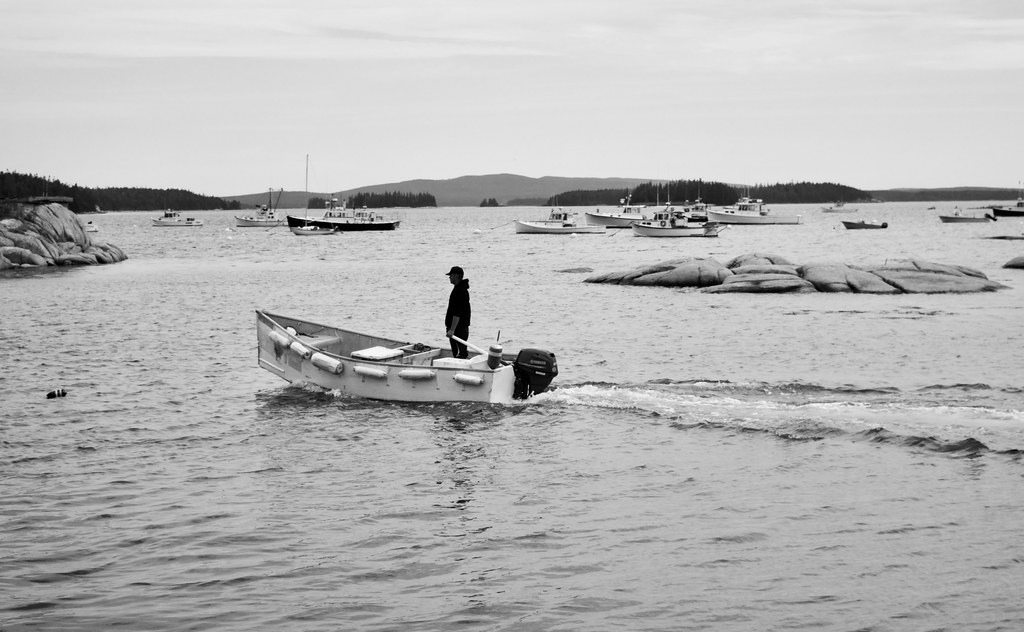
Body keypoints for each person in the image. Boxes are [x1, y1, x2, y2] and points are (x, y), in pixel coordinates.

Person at [445, 265, 471, 359]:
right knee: (458, 353)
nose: (449, 277)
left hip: (458, 329)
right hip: (459, 328)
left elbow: (457, 313)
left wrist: (452, 329)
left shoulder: (459, 291)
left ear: (456, 276)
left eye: (451, 275)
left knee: (460, 354)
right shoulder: (460, 289)